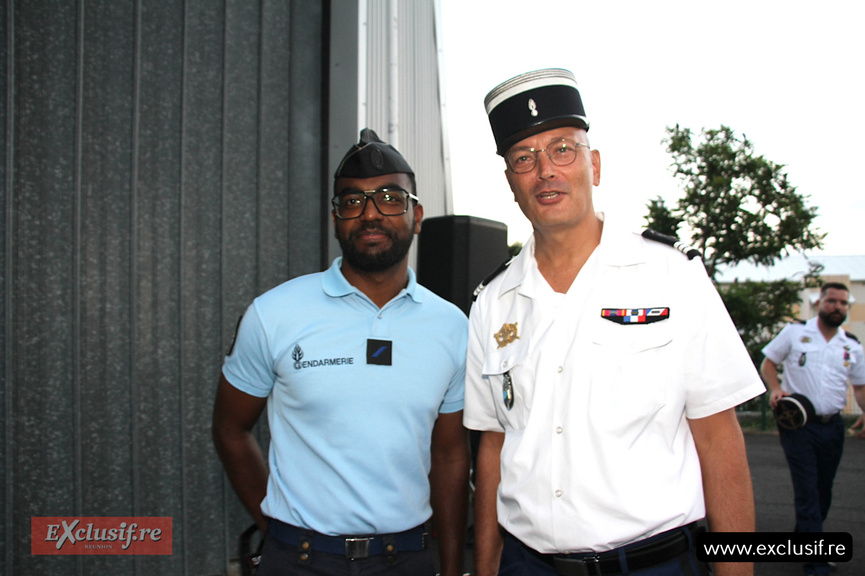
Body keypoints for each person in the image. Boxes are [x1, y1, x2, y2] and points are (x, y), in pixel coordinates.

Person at [463, 68, 765, 576]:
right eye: (524, 158)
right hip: (526, 565)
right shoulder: (493, 302)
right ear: (511, 182)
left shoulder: (672, 274)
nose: (545, 171)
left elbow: (719, 438)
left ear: (594, 164)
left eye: (562, 149)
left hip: (653, 565)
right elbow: (493, 446)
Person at [212, 128, 470, 576]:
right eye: (352, 201)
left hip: (406, 561)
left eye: (390, 198)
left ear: (417, 214)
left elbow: (450, 457)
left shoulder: (451, 327)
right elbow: (231, 430)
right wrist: (275, 531)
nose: (370, 214)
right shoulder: (274, 314)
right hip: (298, 561)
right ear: (335, 219)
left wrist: (450, 568)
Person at [760, 282, 865, 576]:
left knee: (823, 490)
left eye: (843, 303)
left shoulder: (852, 345)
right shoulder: (795, 333)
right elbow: (768, 362)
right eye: (831, 301)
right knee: (808, 489)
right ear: (819, 303)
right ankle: (815, 561)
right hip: (798, 427)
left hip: (833, 428)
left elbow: (859, 387)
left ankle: (803, 540)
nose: (837, 307)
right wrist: (776, 388)